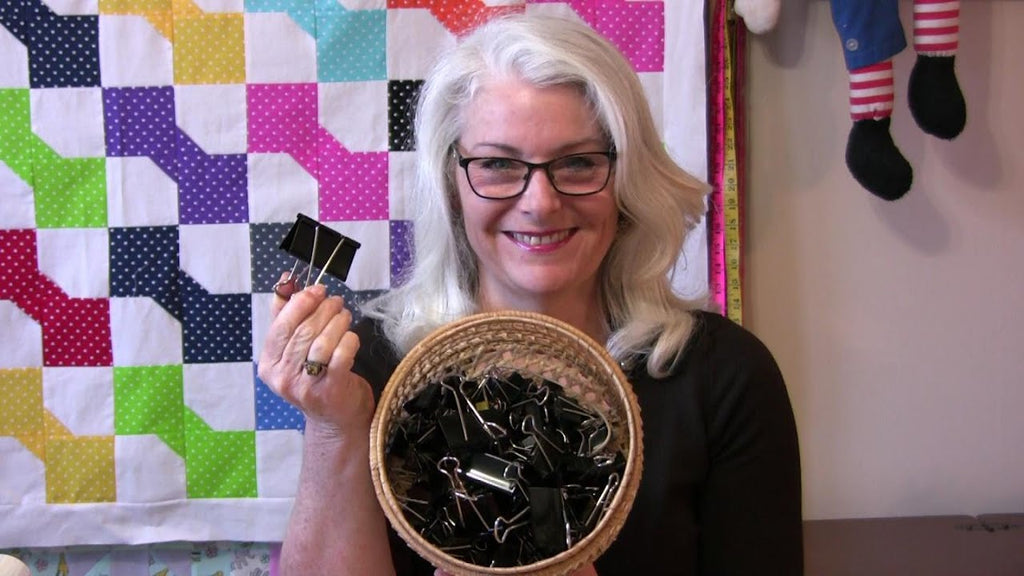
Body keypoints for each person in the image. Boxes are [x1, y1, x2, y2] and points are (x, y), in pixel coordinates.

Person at [258, 13, 803, 576]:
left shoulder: (723, 376)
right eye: (497, 164)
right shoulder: (368, 363)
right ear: (452, 184)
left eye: (577, 163)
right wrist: (333, 428)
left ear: (625, 177)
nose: (540, 203)